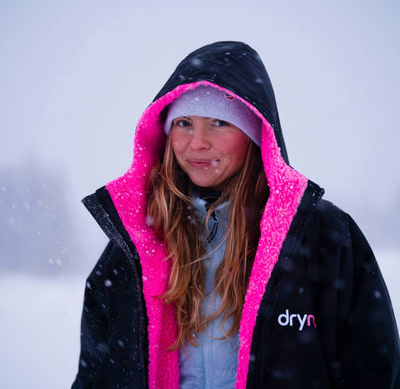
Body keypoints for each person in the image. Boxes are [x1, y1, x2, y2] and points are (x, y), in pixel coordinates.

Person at [72, 41, 400, 389]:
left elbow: (374, 370)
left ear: (254, 135)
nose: (197, 142)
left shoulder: (319, 236)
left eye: (219, 122)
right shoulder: (138, 243)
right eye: (184, 123)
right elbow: (96, 375)